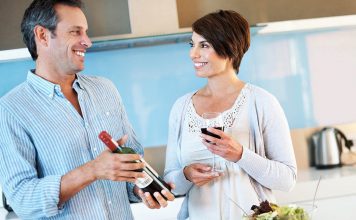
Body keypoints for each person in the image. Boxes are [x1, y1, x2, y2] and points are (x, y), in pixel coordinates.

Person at [0, 0, 174, 219]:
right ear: (42, 35)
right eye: (75, 32)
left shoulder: (105, 89)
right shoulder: (11, 110)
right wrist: (92, 170)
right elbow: (23, 200)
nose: (87, 42)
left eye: (86, 32)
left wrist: (141, 189)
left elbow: (132, 163)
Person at [164, 10, 297, 220]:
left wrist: (240, 155)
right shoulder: (181, 108)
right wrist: (186, 175)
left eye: (204, 45)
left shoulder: (261, 102)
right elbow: (172, 185)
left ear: (229, 48)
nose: (193, 54)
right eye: (192, 44)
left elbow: (286, 180)